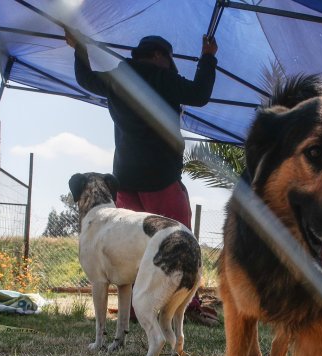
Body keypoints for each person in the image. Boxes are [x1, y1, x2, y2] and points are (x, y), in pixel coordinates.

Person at [66, 30, 220, 326]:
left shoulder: (117, 77)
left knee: (135, 248)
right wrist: (208, 58)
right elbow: (200, 93)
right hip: (161, 178)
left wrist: (80, 49)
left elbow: (85, 79)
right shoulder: (161, 76)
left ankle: (139, 310)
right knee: (181, 241)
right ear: (160, 56)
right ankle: (186, 308)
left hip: (125, 180)